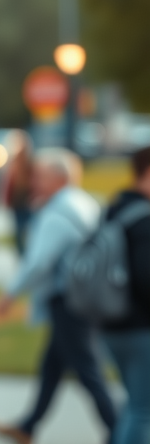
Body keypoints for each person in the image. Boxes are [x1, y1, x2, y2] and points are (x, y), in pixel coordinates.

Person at [0, 148, 116, 444]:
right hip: (85, 297)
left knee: (87, 370)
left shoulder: (57, 212)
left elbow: (38, 262)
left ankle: (119, 428)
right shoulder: (84, 203)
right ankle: (28, 426)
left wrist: (10, 293)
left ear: (61, 178)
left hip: (68, 299)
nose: (33, 182)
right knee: (53, 366)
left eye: (40, 176)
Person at [100, 145, 150, 444]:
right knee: (142, 412)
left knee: (134, 404)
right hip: (138, 328)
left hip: (112, 322)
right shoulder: (144, 219)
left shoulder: (115, 208)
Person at [7, 139, 34, 257]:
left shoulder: (30, 165)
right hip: (17, 203)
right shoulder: (16, 164)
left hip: (27, 203)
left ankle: (25, 253)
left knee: (27, 230)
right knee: (19, 230)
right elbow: (10, 185)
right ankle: (22, 254)